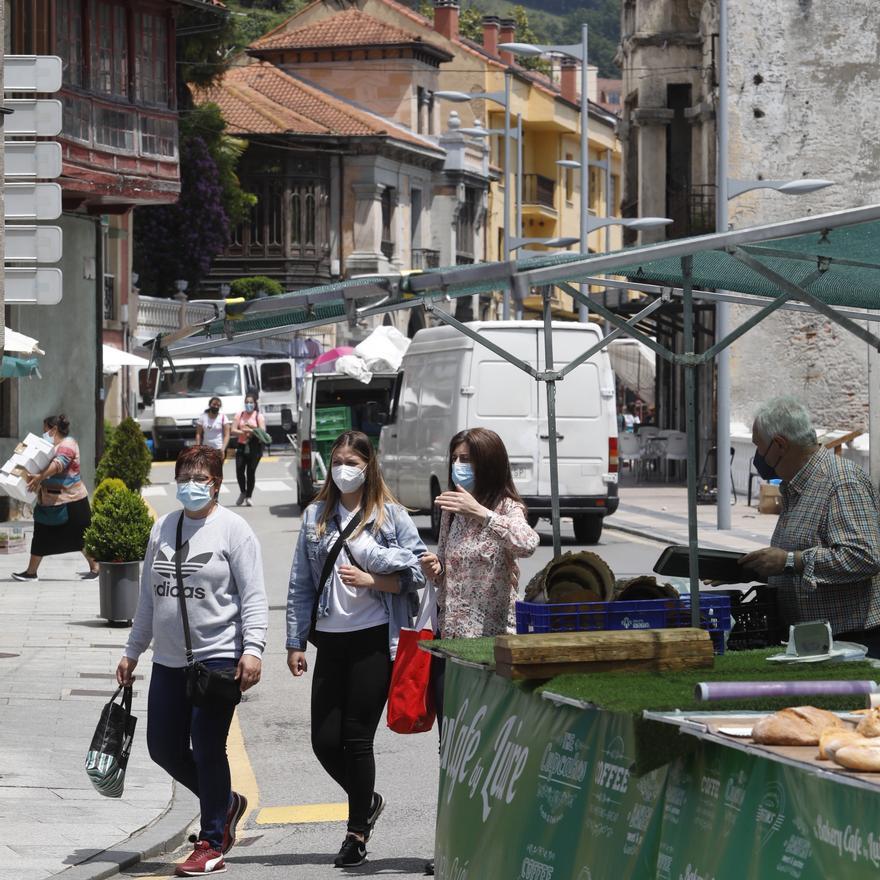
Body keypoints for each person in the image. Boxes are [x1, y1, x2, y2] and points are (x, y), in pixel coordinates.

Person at [116, 446, 268, 877]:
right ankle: (227, 802)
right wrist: (132, 650)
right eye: (184, 476)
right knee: (162, 747)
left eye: (199, 478)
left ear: (216, 483)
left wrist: (252, 649)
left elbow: (254, 597)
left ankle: (212, 839)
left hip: (218, 657)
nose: (190, 484)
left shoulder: (233, 531)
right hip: (167, 659)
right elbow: (148, 598)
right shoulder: (164, 527)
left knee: (206, 747)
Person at [286, 430, 426, 869]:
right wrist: (294, 642)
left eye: (353, 461)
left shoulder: (390, 515)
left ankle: (356, 834)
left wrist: (376, 581)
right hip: (330, 640)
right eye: (338, 460)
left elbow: (419, 573)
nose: (344, 469)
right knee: (323, 741)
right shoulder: (315, 516)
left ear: (368, 466)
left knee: (356, 738)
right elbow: (300, 583)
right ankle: (367, 799)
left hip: (373, 640)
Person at [418, 427, 538, 875]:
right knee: (452, 749)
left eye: (466, 457)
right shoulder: (449, 512)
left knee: (487, 749)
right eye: (454, 457)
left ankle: (492, 842)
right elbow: (452, 573)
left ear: (487, 463)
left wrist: (479, 511)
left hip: (490, 648)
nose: (458, 465)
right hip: (450, 646)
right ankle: (452, 843)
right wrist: (436, 567)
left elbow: (527, 543)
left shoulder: (505, 507)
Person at [741, 396, 880, 656]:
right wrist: (753, 568)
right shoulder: (797, 486)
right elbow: (796, 561)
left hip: (852, 643)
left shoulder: (842, 482)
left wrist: (790, 561)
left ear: (779, 445)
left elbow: (865, 556)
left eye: (759, 447)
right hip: (813, 641)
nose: (758, 456)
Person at [13, 414, 99, 581]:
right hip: (51, 502)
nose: (43, 433)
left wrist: (39, 477)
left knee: (81, 536)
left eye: (45, 429)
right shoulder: (50, 447)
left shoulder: (68, 444)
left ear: (54, 429)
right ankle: (31, 572)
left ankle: (96, 568)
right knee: (40, 535)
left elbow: (58, 464)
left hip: (72, 501)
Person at [231, 394, 266, 507]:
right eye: (247, 402)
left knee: (251, 472)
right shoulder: (239, 415)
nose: (249, 404)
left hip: (254, 447)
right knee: (239, 470)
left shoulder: (258, 416)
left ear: (255, 404)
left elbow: (262, 432)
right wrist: (243, 432)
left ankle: (249, 496)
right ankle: (243, 491)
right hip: (241, 445)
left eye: (251, 402)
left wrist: (251, 430)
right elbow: (233, 430)